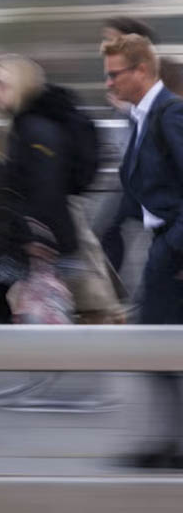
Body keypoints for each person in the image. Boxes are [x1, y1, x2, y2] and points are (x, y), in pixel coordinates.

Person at [99, 34, 183, 468]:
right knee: (158, 344)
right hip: (164, 246)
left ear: (143, 72)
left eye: (115, 75)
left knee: (155, 341)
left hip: (175, 250)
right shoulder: (144, 116)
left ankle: (170, 443)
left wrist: (175, 250)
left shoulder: (171, 114)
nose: (108, 83)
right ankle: (168, 442)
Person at [0, 55, 77, 324]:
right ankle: (18, 339)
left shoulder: (36, 130)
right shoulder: (10, 124)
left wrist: (38, 237)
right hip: (17, 233)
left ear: (18, 85)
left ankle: (24, 343)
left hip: (34, 237)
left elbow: (46, 186)